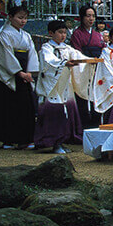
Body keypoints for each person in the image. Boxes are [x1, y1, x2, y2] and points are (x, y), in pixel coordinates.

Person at [0, 5, 39, 149]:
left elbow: (32, 54)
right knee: (7, 108)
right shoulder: (4, 34)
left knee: (26, 107)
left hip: (24, 71)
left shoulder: (26, 36)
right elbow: (5, 56)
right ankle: (7, 139)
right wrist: (19, 72)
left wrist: (29, 73)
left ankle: (25, 139)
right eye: (20, 18)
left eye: (25, 18)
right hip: (7, 74)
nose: (23, 21)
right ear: (10, 17)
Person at [34, 19, 86, 153]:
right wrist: (64, 63)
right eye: (60, 32)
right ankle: (51, 142)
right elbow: (49, 61)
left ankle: (62, 141)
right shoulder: (46, 48)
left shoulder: (67, 48)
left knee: (66, 114)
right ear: (51, 33)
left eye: (64, 32)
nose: (63, 35)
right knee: (54, 114)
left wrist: (88, 61)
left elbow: (77, 55)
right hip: (52, 87)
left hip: (64, 86)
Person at [68, 5, 104, 126]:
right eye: (88, 16)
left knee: (96, 95)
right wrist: (89, 61)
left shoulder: (98, 35)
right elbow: (76, 53)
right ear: (82, 17)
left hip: (97, 68)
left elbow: (103, 50)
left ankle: (95, 123)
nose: (91, 19)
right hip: (83, 68)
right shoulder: (77, 34)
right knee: (82, 96)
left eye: (93, 16)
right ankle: (83, 125)